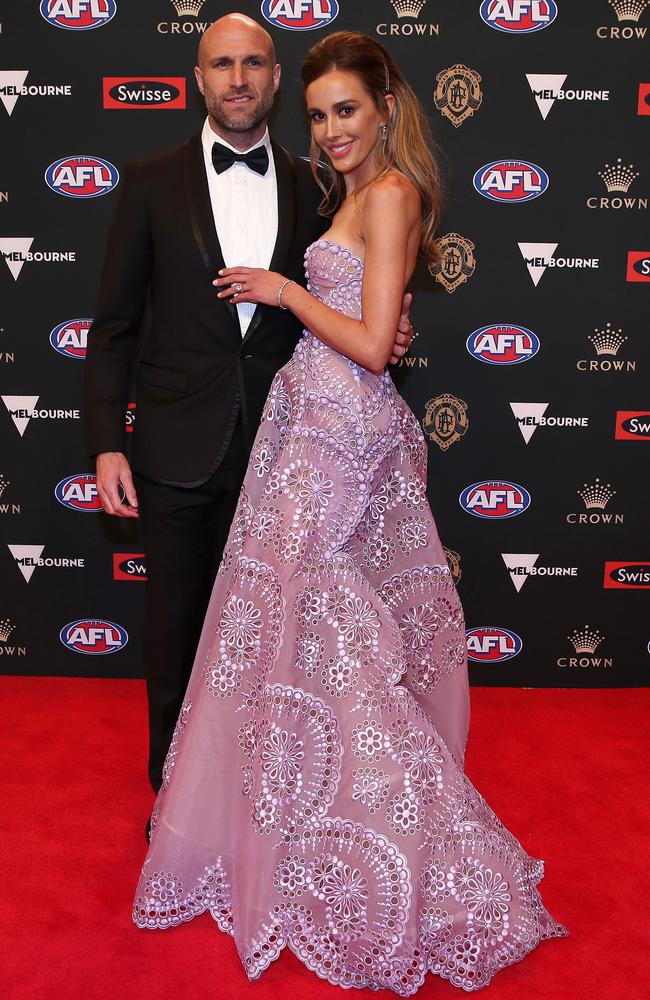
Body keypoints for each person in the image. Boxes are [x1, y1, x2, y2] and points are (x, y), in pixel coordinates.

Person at [132, 30, 568, 995]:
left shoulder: (394, 192)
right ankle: (288, 830)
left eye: (348, 112)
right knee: (285, 635)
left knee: (323, 634)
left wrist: (291, 289)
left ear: (385, 109)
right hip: (309, 430)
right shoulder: (352, 197)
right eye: (320, 114)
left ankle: (397, 840)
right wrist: (356, 306)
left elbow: (373, 346)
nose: (331, 130)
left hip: (338, 437)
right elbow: (380, 323)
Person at [84, 13, 413, 802]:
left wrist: (394, 323)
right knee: (175, 634)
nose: (238, 79)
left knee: (271, 643)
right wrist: (106, 442)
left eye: (255, 63)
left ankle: (258, 801)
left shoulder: (318, 182)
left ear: (274, 78)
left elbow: (357, 284)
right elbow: (115, 325)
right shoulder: (150, 181)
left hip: (290, 450)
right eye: (222, 64)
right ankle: (175, 800)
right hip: (173, 445)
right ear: (199, 79)